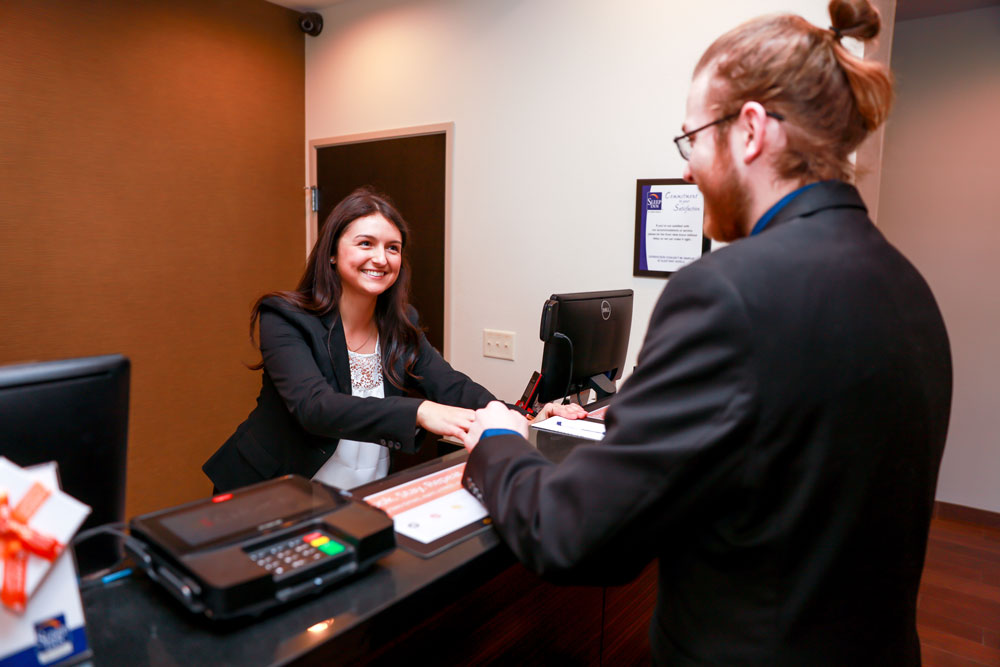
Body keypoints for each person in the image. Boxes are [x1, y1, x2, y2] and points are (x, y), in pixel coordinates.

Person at [459, 2, 952, 664]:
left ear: (749, 130)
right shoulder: (909, 286)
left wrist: (498, 442)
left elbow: (573, 534)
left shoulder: (724, 288)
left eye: (691, 139)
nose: (687, 169)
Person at [204, 187, 578, 493]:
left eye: (393, 248)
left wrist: (520, 414)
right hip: (272, 490)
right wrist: (420, 411)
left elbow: (451, 386)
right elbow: (314, 407)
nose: (381, 258)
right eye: (365, 243)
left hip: (363, 491)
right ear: (332, 253)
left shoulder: (401, 324)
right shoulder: (285, 317)